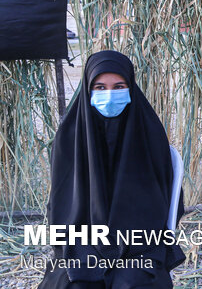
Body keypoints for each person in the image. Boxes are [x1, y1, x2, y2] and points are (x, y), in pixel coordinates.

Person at [39, 50, 185, 289]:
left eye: (119, 87)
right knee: (75, 283)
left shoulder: (149, 133)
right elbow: (62, 205)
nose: (109, 95)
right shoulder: (68, 139)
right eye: (99, 87)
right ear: (87, 90)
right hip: (83, 241)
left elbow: (164, 202)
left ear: (131, 87)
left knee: (133, 282)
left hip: (140, 244)